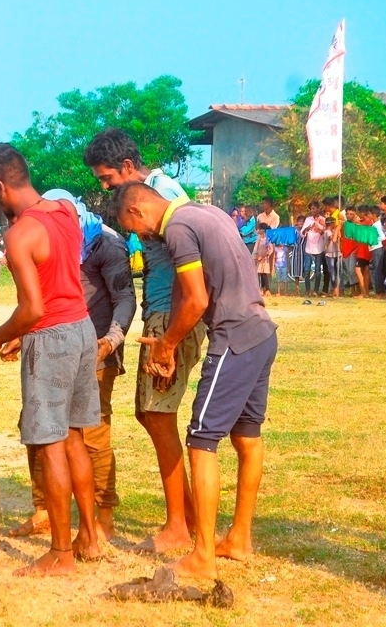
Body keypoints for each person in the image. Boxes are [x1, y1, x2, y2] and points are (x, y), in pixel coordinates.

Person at [111, 182, 278, 579]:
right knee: (247, 437)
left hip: (234, 337)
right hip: (262, 332)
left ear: (137, 210)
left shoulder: (178, 227)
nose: (139, 236)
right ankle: (238, 539)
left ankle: (202, 555)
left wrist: (167, 345)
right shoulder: (210, 212)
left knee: (201, 441)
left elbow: (196, 299)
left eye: (133, 229)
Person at [0, 144, 101, 576]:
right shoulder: (64, 210)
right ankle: (90, 537)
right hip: (82, 328)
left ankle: (61, 552)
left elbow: (32, 309)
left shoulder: (19, 235)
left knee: (49, 445)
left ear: (0, 186)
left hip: (51, 338)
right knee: (76, 438)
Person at [83, 127, 206, 553]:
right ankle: (185, 516)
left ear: (129, 168)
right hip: (165, 312)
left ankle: (179, 525)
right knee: (153, 413)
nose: (106, 188)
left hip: (169, 315)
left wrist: (170, 333)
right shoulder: (162, 192)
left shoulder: (162, 195)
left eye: (107, 178)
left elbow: (189, 261)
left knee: (156, 413)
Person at [10, 189, 137, 541]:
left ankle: (103, 517)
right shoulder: (55, 233)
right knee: (38, 430)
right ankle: (44, 511)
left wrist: (110, 341)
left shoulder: (106, 245)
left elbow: (126, 298)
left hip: (93, 350)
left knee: (91, 437)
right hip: (52, 347)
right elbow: (45, 298)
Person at [301, 202, 326, 297]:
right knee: (306, 270)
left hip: (319, 248)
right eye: (311, 209)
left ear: (318, 209)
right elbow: (302, 233)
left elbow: (324, 232)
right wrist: (309, 227)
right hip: (308, 248)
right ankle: (307, 290)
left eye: (314, 208)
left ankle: (315, 290)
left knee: (318, 271)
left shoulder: (323, 219)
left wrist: (318, 226)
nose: (313, 210)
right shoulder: (308, 219)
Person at [253, 226, 275, 296]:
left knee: (264, 274)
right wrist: (255, 257)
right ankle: (262, 289)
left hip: (265, 259)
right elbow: (255, 249)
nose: (258, 231)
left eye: (260, 229)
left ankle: (267, 289)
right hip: (259, 258)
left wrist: (263, 256)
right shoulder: (259, 239)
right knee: (260, 273)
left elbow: (270, 250)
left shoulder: (268, 239)